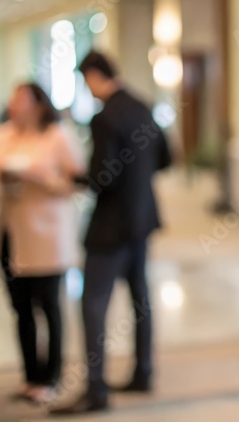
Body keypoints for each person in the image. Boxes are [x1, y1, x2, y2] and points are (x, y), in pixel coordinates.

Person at [52, 51, 172, 415]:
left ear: (93, 75)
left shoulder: (105, 117)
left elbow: (102, 177)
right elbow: (167, 157)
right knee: (140, 298)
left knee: (92, 303)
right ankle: (143, 372)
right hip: (141, 218)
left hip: (111, 224)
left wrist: (74, 177)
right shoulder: (142, 107)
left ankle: (96, 389)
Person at [0, 83, 84, 405]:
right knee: (21, 307)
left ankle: (51, 376)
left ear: (39, 105)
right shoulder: (0, 136)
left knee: (49, 305)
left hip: (47, 234)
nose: (14, 106)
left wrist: (42, 178)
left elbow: (76, 181)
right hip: (11, 230)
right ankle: (30, 375)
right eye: (12, 100)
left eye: (22, 101)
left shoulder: (57, 136)